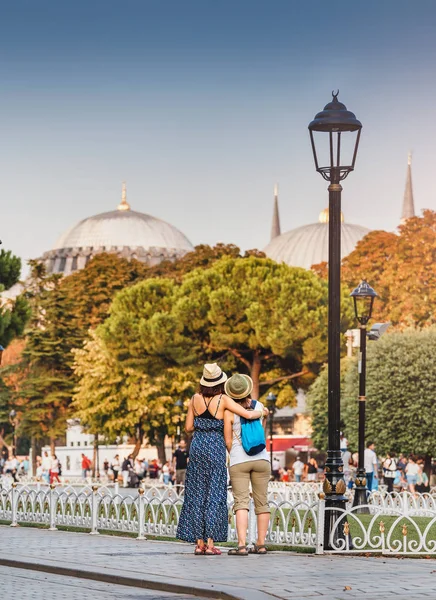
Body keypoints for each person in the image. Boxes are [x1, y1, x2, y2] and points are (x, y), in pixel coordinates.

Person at [176, 363, 267, 556]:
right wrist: (263, 412)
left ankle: (198, 543)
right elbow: (247, 414)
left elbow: (188, 427)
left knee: (196, 493)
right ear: (220, 382)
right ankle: (210, 544)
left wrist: (202, 425)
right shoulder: (223, 399)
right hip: (215, 447)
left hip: (198, 446)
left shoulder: (194, 399)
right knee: (215, 494)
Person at [224, 373, 270, 556]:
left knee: (241, 503)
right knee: (262, 502)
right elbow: (261, 430)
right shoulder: (259, 406)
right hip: (261, 459)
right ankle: (260, 544)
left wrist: (235, 452)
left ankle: (242, 545)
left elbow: (227, 440)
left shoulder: (229, 411)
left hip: (239, 460)